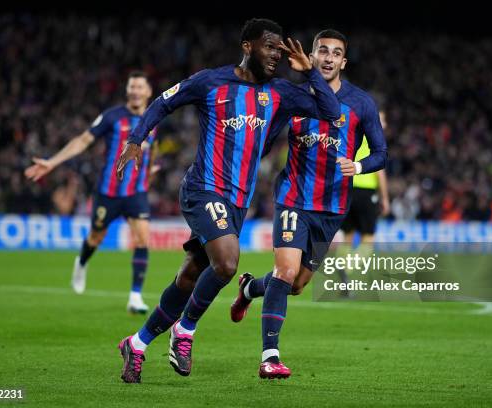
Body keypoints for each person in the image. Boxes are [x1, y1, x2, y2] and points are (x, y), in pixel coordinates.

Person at [115, 18, 340, 382]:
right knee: (227, 262)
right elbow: (163, 102)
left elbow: (331, 111)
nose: (276, 55)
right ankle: (185, 330)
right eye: (269, 46)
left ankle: (137, 344)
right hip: (203, 188)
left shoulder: (281, 91)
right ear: (248, 46)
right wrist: (136, 139)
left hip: (237, 201)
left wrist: (310, 71)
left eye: (280, 49)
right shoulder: (211, 82)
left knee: (190, 275)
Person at [229, 29, 387, 378]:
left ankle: (250, 288)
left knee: (296, 283)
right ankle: (270, 357)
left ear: (343, 62)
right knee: (285, 272)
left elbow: (381, 153)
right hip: (293, 199)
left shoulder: (361, 103)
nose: (329, 57)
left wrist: (359, 166)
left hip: (332, 208)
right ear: (311, 57)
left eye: (336, 53)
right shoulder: (293, 97)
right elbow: (266, 140)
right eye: (322, 51)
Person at [24, 71, 157, 314]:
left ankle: (135, 297)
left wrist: (150, 170)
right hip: (108, 192)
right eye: (132, 87)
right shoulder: (112, 117)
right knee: (96, 237)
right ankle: (82, 261)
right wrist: (52, 162)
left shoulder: (154, 118)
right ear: (128, 91)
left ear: (148, 92)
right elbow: (83, 140)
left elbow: (151, 149)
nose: (136, 91)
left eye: (140, 87)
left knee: (142, 239)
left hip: (136, 193)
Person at [340, 110, 390, 245]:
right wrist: (385, 198)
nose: (384, 124)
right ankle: (355, 267)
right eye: (382, 121)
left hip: (347, 189)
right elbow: (379, 172)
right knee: (368, 237)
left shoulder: (353, 137)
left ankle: (342, 266)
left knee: (348, 236)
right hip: (366, 192)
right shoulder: (376, 142)